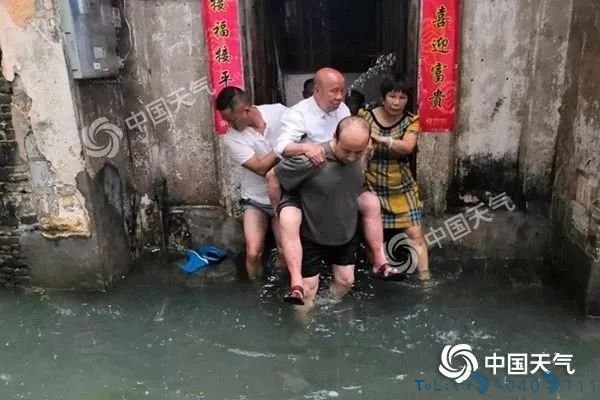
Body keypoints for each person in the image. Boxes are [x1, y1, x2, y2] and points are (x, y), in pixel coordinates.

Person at [268, 67, 404, 305]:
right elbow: (281, 149)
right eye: (334, 91)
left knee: (371, 202)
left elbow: (351, 132)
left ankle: (380, 260)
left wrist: (362, 147)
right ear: (317, 91)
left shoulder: (341, 111)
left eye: (343, 90)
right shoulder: (298, 114)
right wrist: (306, 148)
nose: (340, 96)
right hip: (306, 176)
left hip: (338, 179)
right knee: (289, 219)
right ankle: (297, 282)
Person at [269, 116, 371, 309]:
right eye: (346, 150)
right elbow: (273, 175)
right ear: (335, 137)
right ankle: (304, 332)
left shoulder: (364, 154)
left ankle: (326, 308)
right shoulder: (313, 159)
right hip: (310, 231)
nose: (351, 157)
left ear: (367, 145)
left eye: (357, 152)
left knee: (346, 281)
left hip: (343, 228)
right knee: (308, 290)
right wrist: (277, 211)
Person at [359, 74, 430, 280]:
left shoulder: (411, 120)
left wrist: (381, 139)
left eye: (402, 97)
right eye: (392, 96)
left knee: (415, 234)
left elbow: (407, 147)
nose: (396, 102)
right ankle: (378, 272)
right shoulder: (366, 116)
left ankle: (425, 278)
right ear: (384, 97)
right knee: (373, 238)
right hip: (372, 182)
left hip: (401, 184)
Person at [216, 86, 287, 280]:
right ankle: (255, 293)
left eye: (231, 119)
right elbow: (261, 168)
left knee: (284, 250)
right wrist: (285, 145)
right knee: (254, 252)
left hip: (284, 195)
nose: (227, 124)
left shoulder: (280, 113)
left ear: (246, 111)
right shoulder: (231, 138)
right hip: (255, 199)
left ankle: (281, 288)